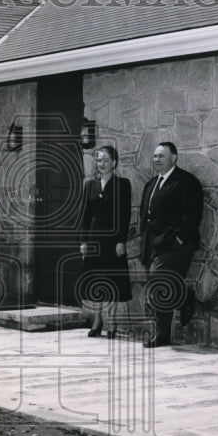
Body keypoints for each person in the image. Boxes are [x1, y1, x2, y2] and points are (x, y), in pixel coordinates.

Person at [139, 142, 204, 347]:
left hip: (176, 245)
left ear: (174, 158)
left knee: (158, 283)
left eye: (161, 156)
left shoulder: (186, 181)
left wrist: (179, 238)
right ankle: (184, 299)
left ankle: (162, 334)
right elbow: (145, 216)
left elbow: (193, 214)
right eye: (155, 156)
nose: (156, 160)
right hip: (154, 245)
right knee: (159, 286)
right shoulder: (151, 184)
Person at [79, 145, 132, 338]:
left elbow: (125, 214)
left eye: (106, 160)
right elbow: (85, 214)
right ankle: (97, 320)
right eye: (99, 160)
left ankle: (111, 321)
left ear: (114, 163)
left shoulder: (123, 184)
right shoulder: (90, 185)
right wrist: (83, 241)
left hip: (113, 240)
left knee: (112, 280)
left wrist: (121, 240)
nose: (101, 164)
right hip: (94, 239)